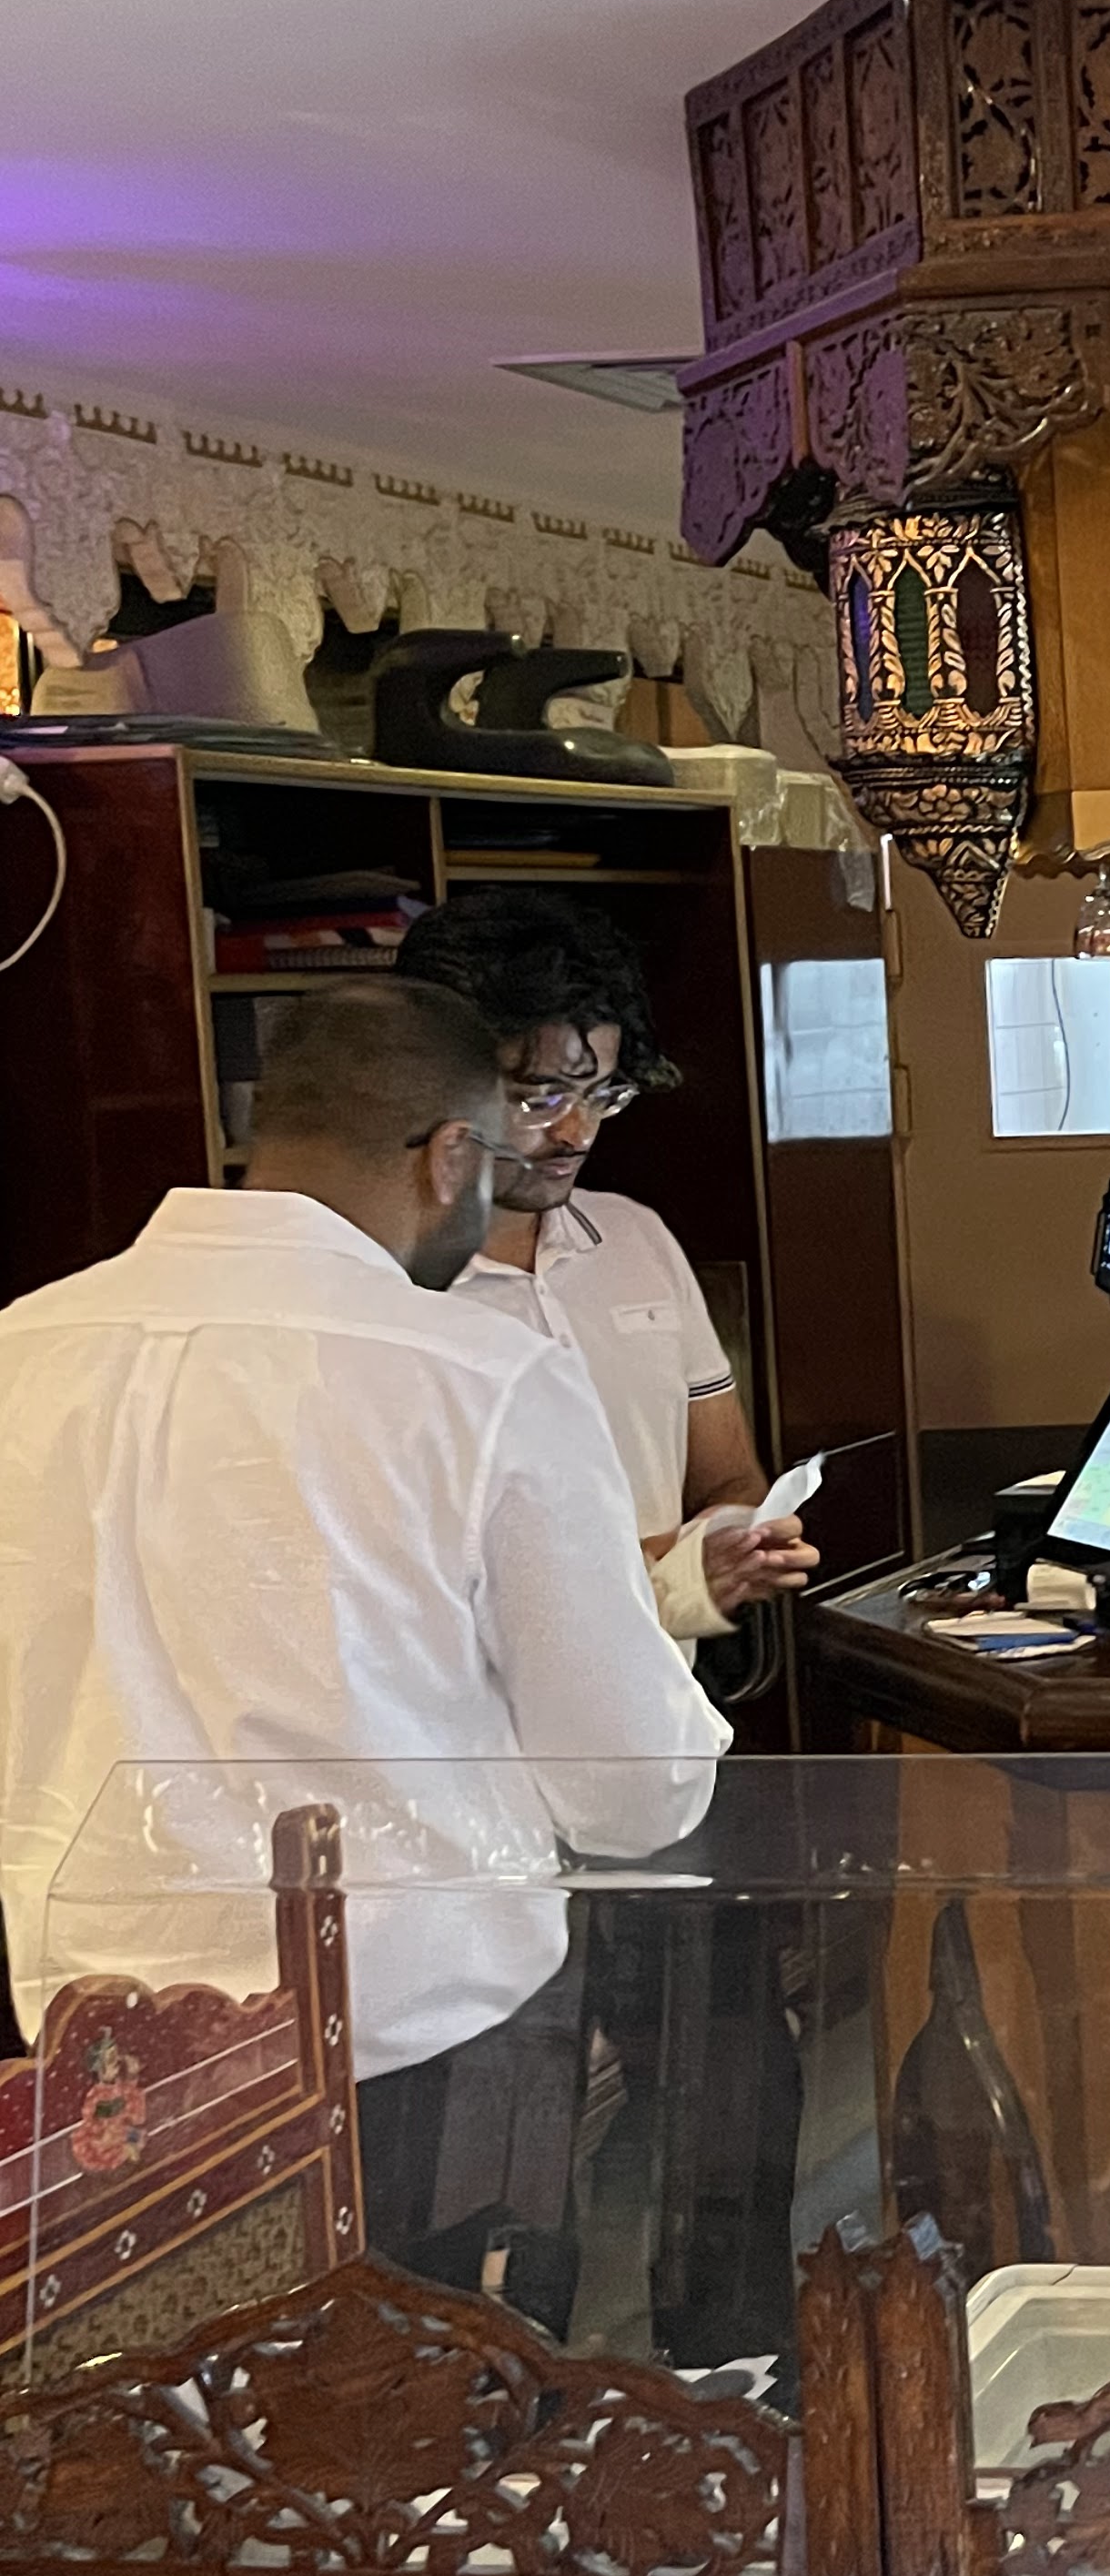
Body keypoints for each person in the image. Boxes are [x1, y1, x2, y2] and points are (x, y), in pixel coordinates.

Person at [0, 980, 732, 2309]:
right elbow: (629, 1785)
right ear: (451, 1155)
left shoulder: (23, 1347)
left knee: (153, 2412)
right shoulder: (477, 1376)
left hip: (81, 2036)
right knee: (422, 2416)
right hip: (410, 2032)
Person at [396, 891, 818, 1636]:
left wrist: (731, 1549)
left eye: (601, 1095)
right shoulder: (386, 1284)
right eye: (540, 1098)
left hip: (663, 1699)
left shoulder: (633, 1239)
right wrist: (657, 1579)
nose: (577, 1132)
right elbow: (412, 1581)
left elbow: (727, 1478)